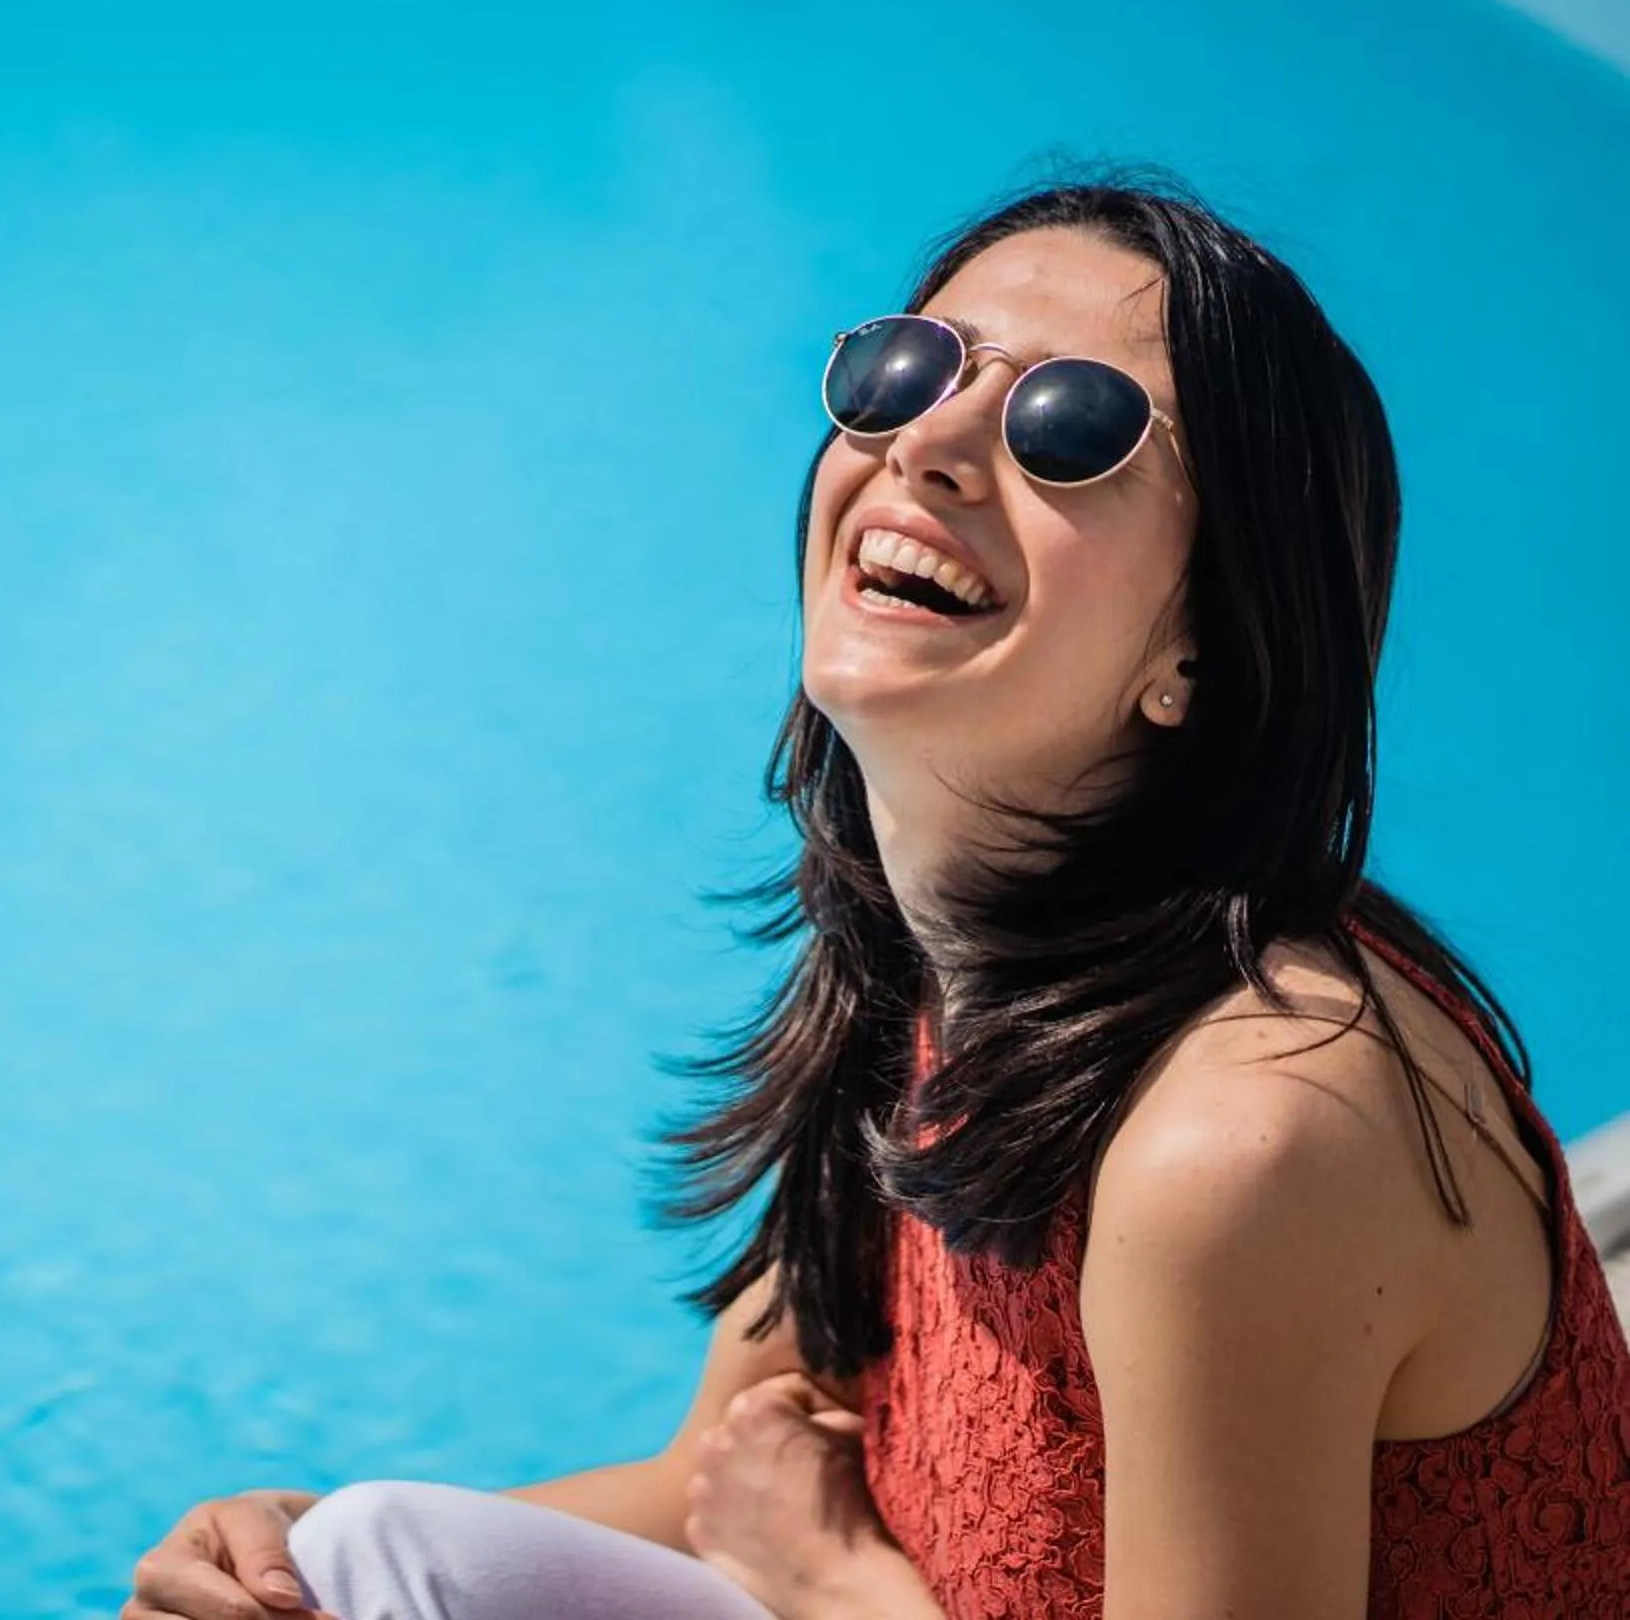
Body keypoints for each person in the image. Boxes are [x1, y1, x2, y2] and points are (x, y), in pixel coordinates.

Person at [117, 178, 1630, 1619]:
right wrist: (282, 1552)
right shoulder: (936, 978)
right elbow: (711, 1488)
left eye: (1072, 424)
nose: (934, 443)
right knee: (358, 1564)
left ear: (1209, 652)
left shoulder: (1248, 1141)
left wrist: (837, 1585)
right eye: (913, 367)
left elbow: (786, 1540)